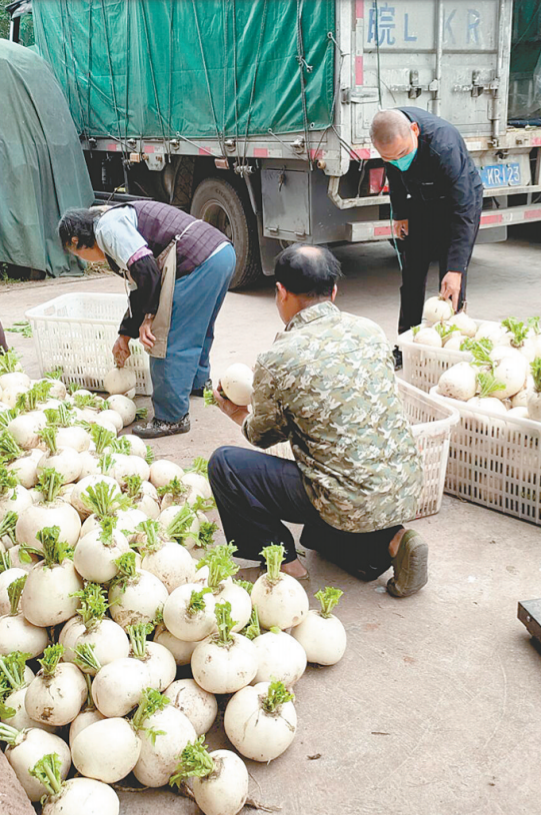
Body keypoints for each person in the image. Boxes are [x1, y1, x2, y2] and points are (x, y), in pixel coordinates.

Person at [208, 244, 428, 598]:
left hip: (342, 496)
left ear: (280, 293)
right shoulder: (370, 331)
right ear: (334, 292)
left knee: (226, 464)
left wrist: (237, 412)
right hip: (404, 487)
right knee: (319, 531)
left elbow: (263, 435)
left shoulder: (279, 357)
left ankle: (282, 565)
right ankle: (396, 539)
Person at [58, 201, 236, 438]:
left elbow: (147, 270)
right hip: (221, 253)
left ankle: (172, 418)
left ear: (75, 242)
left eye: (77, 254)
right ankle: (197, 383)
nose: (85, 260)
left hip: (198, 261)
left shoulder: (107, 229)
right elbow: (139, 290)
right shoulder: (114, 226)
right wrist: (124, 335)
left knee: (167, 338)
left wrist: (150, 318)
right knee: (196, 328)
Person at [370, 108, 484, 369]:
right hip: (420, 201)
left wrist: (457, 268)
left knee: (451, 282)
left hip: (458, 204)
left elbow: (464, 210)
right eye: (390, 157)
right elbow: (396, 177)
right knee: (411, 275)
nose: (397, 160)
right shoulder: (391, 142)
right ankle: (405, 345)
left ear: (415, 131)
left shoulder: (444, 146)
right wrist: (399, 213)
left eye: (402, 154)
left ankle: (450, 350)